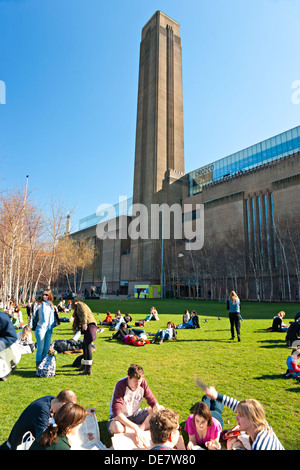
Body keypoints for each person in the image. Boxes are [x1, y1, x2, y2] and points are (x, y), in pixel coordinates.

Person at [204, 385, 284, 450]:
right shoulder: (262, 425)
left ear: (251, 419)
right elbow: (236, 405)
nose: (236, 418)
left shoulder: (261, 446)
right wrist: (217, 396)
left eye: (240, 415)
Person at [107, 363, 163, 448]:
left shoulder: (142, 382)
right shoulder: (120, 385)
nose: (137, 385)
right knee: (116, 427)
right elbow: (117, 415)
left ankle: (140, 429)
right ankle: (141, 429)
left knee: (160, 409)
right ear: (128, 378)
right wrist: (135, 428)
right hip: (120, 419)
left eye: (139, 382)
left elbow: (153, 402)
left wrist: (158, 410)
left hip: (135, 415)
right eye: (135, 382)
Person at [3, 389, 78, 450]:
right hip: (18, 445)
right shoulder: (42, 410)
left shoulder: (51, 399)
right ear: (63, 405)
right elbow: (45, 437)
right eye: (67, 410)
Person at [30, 289, 59, 369]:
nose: (44, 296)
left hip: (49, 329)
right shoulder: (39, 305)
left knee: (46, 348)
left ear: (49, 296)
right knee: (40, 348)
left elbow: (55, 317)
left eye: (46, 295)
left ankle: (42, 366)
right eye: (43, 294)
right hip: (40, 328)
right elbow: (32, 312)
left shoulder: (51, 306)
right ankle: (38, 367)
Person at [72, 299, 98, 375]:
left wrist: (85, 323)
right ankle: (84, 366)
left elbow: (84, 312)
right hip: (89, 326)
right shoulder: (78, 307)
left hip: (90, 325)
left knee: (87, 346)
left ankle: (88, 369)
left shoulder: (79, 304)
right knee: (85, 346)